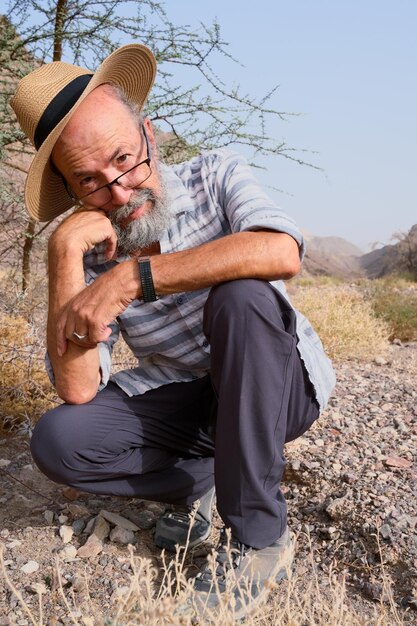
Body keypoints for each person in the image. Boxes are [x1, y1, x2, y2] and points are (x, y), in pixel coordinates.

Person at [11, 43, 336, 620]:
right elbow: (78, 388)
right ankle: (212, 479)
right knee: (59, 441)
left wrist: (136, 279)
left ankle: (259, 538)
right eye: (89, 181)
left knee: (243, 297)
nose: (120, 192)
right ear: (68, 188)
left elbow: (281, 250)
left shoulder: (217, 174)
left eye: (125, 160)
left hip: (278, 386)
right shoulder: (87, 247)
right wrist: (63, 254)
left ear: (150, 137)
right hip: (189, 401)